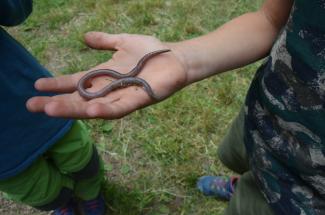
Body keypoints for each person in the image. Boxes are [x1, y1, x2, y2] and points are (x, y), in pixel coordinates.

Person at [27, 0, 325, 214]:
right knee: (238, 156)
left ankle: (255, 187)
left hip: (304, 196)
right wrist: (183, 58)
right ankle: (245, 180)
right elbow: (271, 19)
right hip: (266, 119)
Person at [0, 1, 106, 215]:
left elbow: (16, 9)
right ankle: (62, 202)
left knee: (77, 154)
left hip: (27, 94)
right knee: (37, 190)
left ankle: (90, 192)